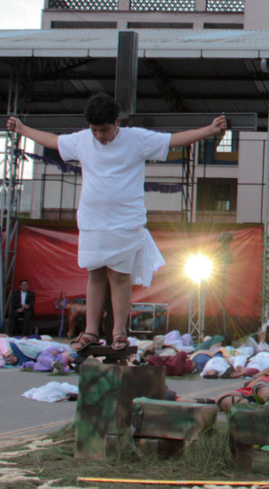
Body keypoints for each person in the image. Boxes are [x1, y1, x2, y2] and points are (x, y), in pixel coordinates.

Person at [9, 93, 226, 351]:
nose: (100, 136)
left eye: (104, 130)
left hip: (125, 220)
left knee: (120, 277)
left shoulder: (136, 138)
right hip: (91, 220)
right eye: (95, 131)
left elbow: (173, 140)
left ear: (117, 121)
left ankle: (119, 333)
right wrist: (22, 129)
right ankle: (90, 331)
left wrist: (210, 130)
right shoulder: (82, 140)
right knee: (95, 275)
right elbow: (53, 141)